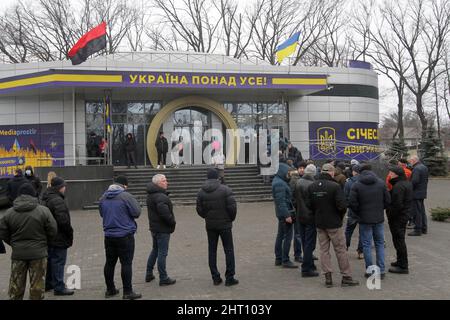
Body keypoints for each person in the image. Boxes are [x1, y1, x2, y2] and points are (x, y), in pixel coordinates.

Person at [0, 184, 57, 300]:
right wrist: (44, 243)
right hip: (39, 254)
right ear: (33, 194)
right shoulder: (43, 211)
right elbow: (53, 230)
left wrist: (13, 243)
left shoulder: (9, 213)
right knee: (37, 288)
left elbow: (3, 232)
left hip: (18, 254)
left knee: (16, 289)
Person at [307, 163, 359, 288]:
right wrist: (339, 217)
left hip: (320, 223)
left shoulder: (312, 186)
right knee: (340, 250)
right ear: (331, 172)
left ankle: (328, 278)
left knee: (324, 251)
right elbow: (342, 206)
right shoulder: (335, 186)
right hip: (334, 223)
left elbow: (309, 205)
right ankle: (346, 276)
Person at [99, 176, 142, 299]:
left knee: (110, 263)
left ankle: (110, 289)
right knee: (126, 263)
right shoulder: (126, 196)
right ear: (124, 185)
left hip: (108, 235)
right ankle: (128, 292)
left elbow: (102, 214)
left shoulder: (103, 197)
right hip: (125, 235)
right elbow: (137, 212)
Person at [196, 168, 238, 286]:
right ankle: (230, 277)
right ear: (217, 177)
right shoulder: (225, 189)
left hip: (210, 225)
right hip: (225, 224)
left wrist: (207, 216)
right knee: (229, 250)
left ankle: (215, 277)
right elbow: (232, 208)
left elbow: (199, 210)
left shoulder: (201, 191)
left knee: (212, 250)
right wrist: (230, 219)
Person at [349, 164, 390, 279]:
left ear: (360, 172)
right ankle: (381, 271)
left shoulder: (356, 184)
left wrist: (359, 212)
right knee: (379, 244)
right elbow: (388, 200)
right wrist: (379, 209)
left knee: (366, 245)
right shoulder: (381, 183)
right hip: (378, 218)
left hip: (364, 219)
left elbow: (352, 202)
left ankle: (370, 270)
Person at [42, 177, 75, 296]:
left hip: (48, 236)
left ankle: (49, 284)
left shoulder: (45, 197)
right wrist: (69, 233)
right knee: (58, 261)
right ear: (59, 187)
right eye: (64, 186)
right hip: (58, 236)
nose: (65, 188)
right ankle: (59, 287)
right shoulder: (57, 200)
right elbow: (63, 221)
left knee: (50, 260)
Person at [145, 174, 176, 286]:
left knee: (155, 250)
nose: (166, 182)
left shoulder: (151, 195)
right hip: (162, 229)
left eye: (166, 180)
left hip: (154, 228)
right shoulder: (160, 197)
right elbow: (165, 214)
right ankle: (163, 277)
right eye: (164, 181)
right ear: (158, 184)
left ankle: (149, 273)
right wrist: (172, 222)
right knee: (162, 253)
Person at [386, 166, 412, 274]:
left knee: (399, 240)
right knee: (398, 239)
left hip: (398, 217)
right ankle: (400, 261)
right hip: (403, 216)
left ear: (396, 175)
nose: (389, 175)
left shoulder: (398, 186)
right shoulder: (406, 183)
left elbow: (397, 205)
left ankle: (403, 266)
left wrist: (389, 214)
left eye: (391, 173)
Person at [294, 164, 319, 277]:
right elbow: (314, 203)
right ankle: (306, 268)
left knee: (304, 241)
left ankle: (309, 264)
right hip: (310, 217)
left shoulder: (298, 182)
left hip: (300, 215)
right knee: (309, 243)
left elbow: (294, 199)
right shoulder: (312, 184)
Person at [272, 163, 297, 268]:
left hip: (282, 213)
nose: (289, 174)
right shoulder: (280, 184)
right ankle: (285, 260)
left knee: (281, 235)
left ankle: (279, 258)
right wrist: (287, 215)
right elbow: (281, 201)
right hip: (285, 213)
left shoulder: (279, 182)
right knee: (287, 237)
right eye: (288, 172)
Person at [344, 164, 363, 259]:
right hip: (363, 211)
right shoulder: (364, 181)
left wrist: (349, 206)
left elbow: (345, 197)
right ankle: (360, 251)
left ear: (354, 172)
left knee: (348, 230)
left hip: (352, 211)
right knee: (362, 232)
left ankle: (345, 247)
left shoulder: (348, 182)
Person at [407, 156, 429, 236]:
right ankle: (424, 228)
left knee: (416, 212)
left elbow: (414, 181)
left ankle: (417, 229)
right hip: (422, 192)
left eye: (410, 161)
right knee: (421, 211)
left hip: (416, 193)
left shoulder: (416, 169)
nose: (410, 163)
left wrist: (408, 187)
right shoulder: (424, 167)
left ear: (414, 161)